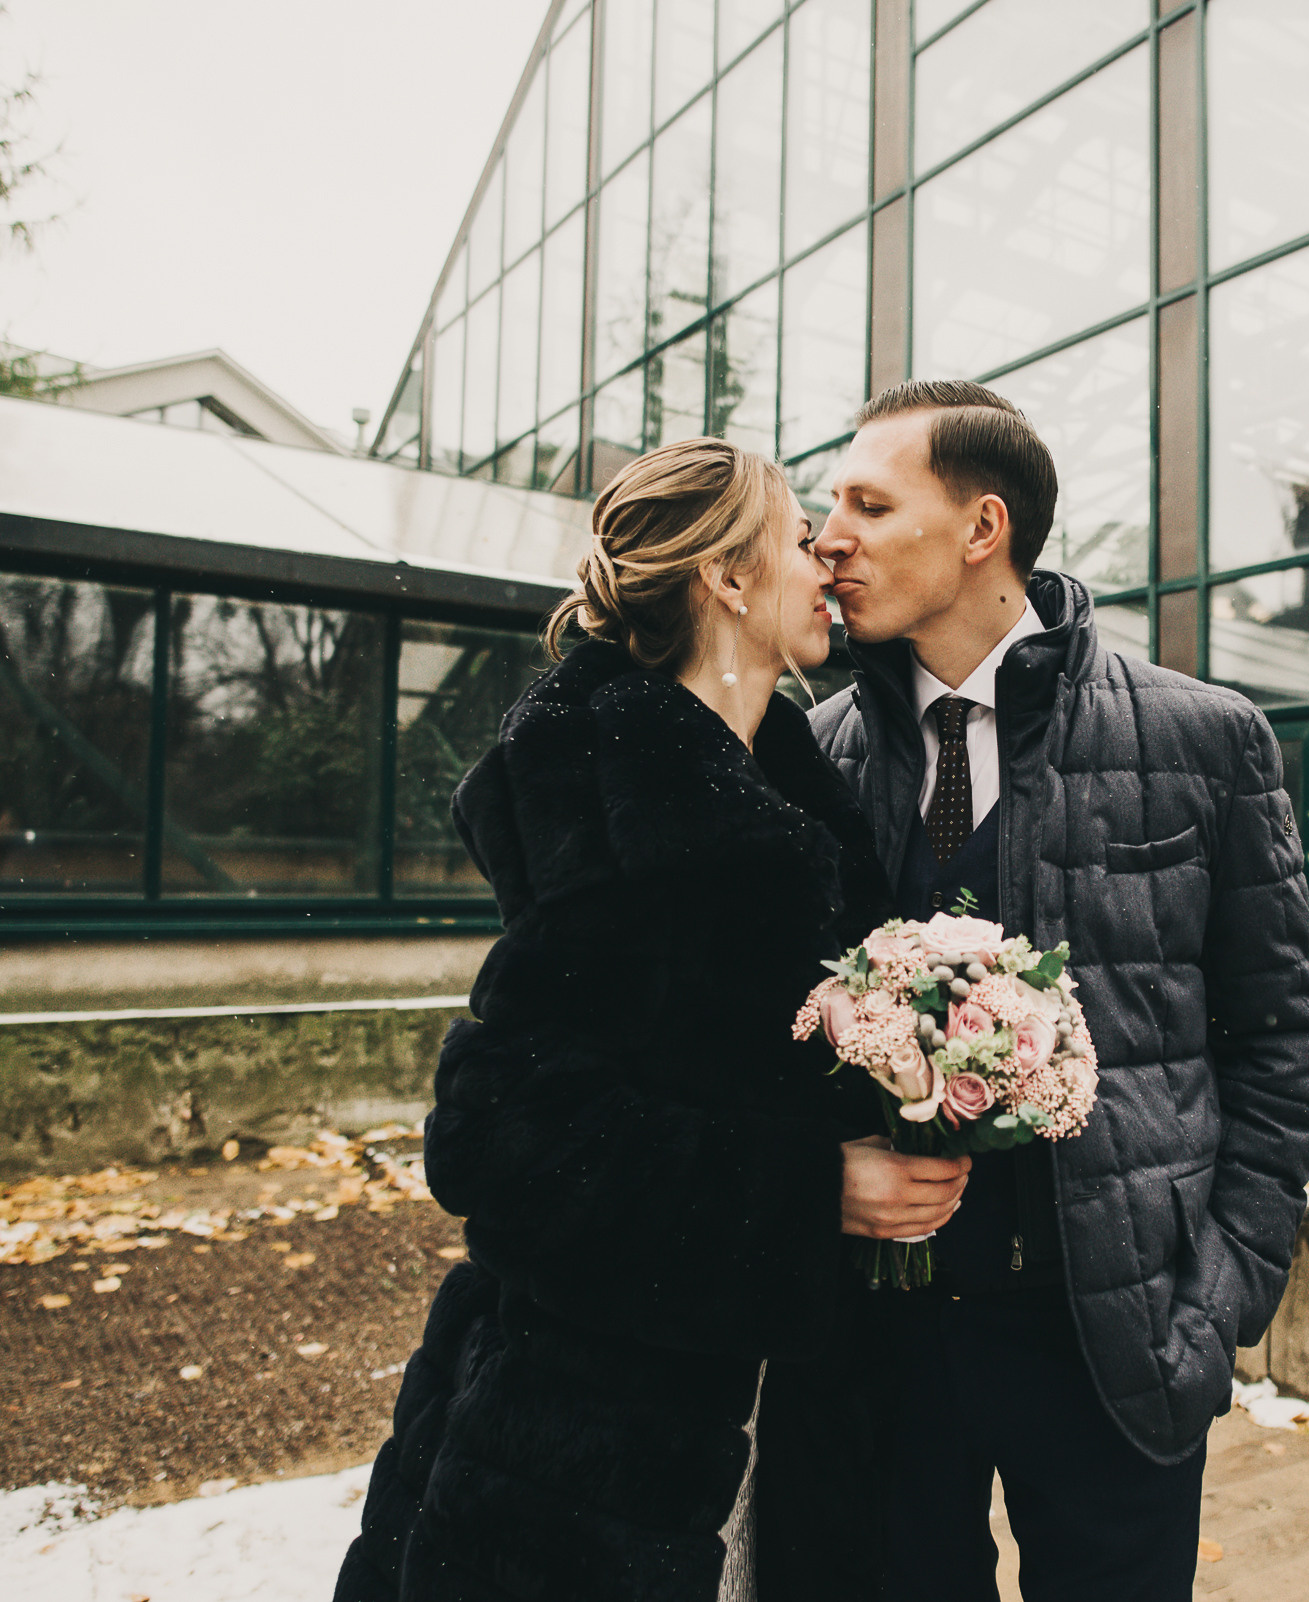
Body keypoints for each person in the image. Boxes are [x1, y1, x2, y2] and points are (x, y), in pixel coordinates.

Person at [337, 437, 971, 1602]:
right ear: (727, 580)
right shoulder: (630, 819)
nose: (826, 558)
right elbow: (500, 1140)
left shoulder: (766, 799)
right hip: (591, 1462)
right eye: (795, 540)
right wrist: (806, 1190)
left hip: (765, 1428)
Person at [808, 381, 1309, 1602]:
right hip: (881, 1346)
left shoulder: (1204, 740)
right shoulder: (817, 751)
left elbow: (1283, 1033)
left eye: (869, 503)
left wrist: (1219, 1299)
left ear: (981, 529)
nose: (827, 535)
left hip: (1113, 1340)